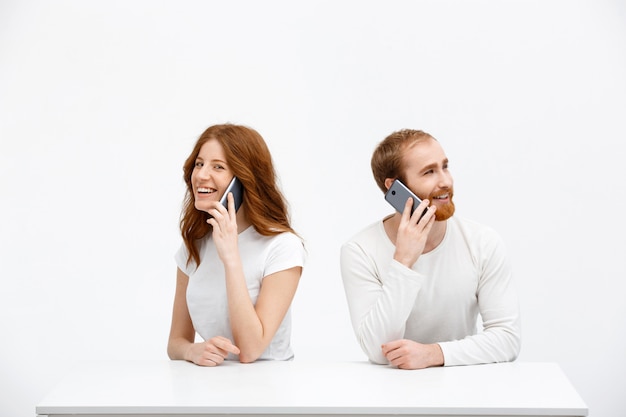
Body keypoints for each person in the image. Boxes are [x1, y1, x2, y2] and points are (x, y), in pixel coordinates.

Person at [340, 129, 521, 370]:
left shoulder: (482, 242)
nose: (445, 181)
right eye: (429, 172)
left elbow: (507, 339)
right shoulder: (360, 250)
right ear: (394, 187)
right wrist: (403, 261)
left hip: (465, 389)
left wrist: (434, 354)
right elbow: (378, 349)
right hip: (391, 394)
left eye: (445, 166)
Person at [167, 123, 305, 366]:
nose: (200, 175)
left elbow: (250, 351)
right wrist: (193, 351)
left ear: (244, 180)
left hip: (269, 387)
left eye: (218, 167)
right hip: (211, 386)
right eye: (199, 164)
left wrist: (231, 257)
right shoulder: (195, 244)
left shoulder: (282, 247)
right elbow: (176, 341)